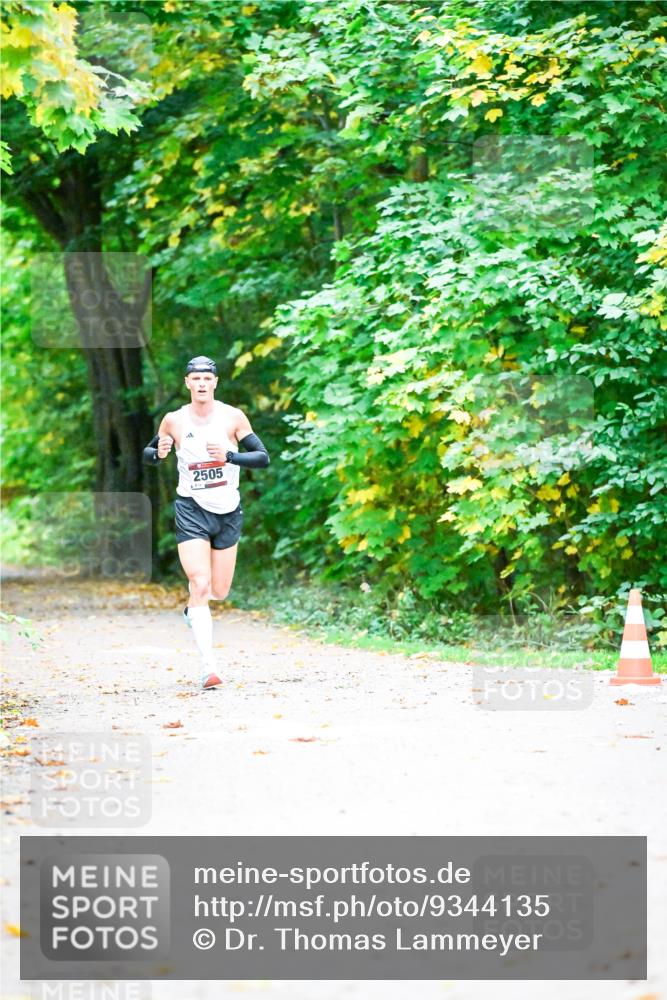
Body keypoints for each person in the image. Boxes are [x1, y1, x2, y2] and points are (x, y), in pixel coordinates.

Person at [143, 356, 269, 689]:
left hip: (228, 511)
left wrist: (229, 456)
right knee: (199, 583)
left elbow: (263, 458)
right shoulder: (173, 421)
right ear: (187, 383)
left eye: (206, 379)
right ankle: (208, 667)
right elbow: (150, 454)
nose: (201, 384)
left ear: (215, 383)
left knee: (219, 590)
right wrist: (158, 453)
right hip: (191, 509)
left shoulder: (232, 417)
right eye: (195, 378)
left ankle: (193, 613)